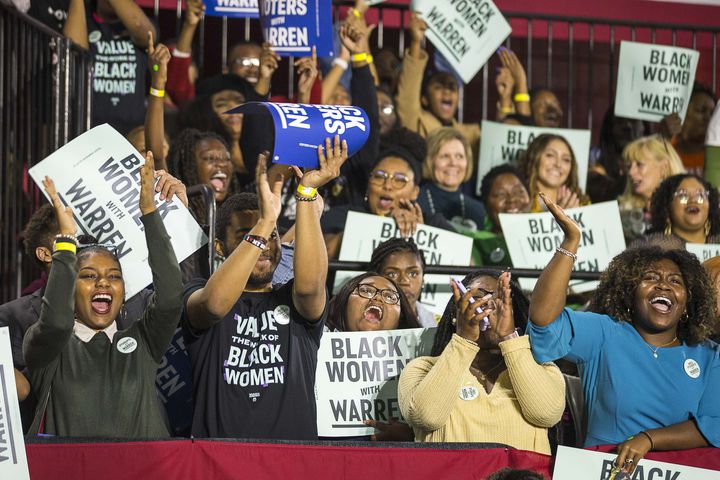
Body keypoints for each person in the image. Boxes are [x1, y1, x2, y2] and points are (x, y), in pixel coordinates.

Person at [528, 192, 720, 473]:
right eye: (651, 278)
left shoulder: (709, 355)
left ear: (689, 301)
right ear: (629, 292)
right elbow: (543, 320)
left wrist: (649, 440)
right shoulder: (605, 333)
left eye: (675, 281)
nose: (664, 285)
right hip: (600, 469)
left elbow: (715, 424)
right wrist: (570, 243)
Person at [181, 138, 346, 440]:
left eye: (272, 236)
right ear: (220, 247)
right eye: (246, 234)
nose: (265, 245)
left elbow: (311, 286)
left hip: (290, 465)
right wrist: (265, 221)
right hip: (218, 463)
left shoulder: (293, 299)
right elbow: (215, 304)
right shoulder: (198, 290)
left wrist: (307, 195)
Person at [24, 152, 184, 437]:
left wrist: (149, 213)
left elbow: (171, 297)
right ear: (68, 289)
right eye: (88, 276)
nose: (103, 284)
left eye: (114, 277)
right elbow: (57, 323)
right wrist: (65, 245)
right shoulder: (50, 348)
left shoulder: (142, 340)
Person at [398, 270, 565, 452]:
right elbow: (427, 417)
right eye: (477, 299)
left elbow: (546, 414)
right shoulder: (421, 369)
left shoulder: (543, 368)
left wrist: (509, 337)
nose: (487, 309)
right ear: (456, 313)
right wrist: (463, 341)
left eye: (499, 301)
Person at [321, 128, 451, 259]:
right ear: (368, 186)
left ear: (415, 192)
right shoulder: (343, 217)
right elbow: (317, 255)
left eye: (400, 180)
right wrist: (380, 225)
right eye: (379, 177)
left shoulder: (433, 223)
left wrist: (423, 235)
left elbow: (469, 265)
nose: (387, 185)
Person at [63, 0, 156, 134]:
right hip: (90, 128)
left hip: (133, 132)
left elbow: (141, 28)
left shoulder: (144, 22)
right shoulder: (84, 20)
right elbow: (75, 53)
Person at [395, 13, 480, 153]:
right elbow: (407, 95)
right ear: (425, 99)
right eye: (439, 87)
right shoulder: (415, 123)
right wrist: (416, 42)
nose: (447, 91)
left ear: (458, 99)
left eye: (452, 87)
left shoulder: (470, 135)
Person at [618, 135, 686, 240]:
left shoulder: (685, 210)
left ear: (663, 168)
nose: (631, 172)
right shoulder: (623, 214)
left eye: (639, 165)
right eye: (629, 166)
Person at [417, 127, 486, 231]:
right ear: (430, 161)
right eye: (445, 156)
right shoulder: (414, 202)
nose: (453, 163)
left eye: (459, 156)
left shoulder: (478, 210)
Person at [167, 128, 236, 225]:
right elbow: (157, 156)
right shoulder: (177, 212)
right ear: (189, 165)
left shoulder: (238, 215)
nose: (221, 164)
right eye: (210, 158)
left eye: (227, 159)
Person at [634, 174, 720, 248]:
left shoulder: (717, 243)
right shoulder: (650, 246)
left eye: (700, 195)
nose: (693, 200)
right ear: (667, 207)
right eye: (683, 195)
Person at [368, 238, 436, 327]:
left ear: (423, 279)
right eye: (392, 274)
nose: (404, 281)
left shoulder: (437, 324)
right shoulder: (363, 322)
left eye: (413, 273)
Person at [472, 165, 531, 266]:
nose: (512, 199)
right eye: (501, 194)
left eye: (518, 192)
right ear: (486, 204)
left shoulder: (553, 237)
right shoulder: (476, 243)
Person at [587, 106, 649, 203]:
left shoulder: (656, 163)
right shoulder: (595, 165)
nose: (627, 126)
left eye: (633, 121)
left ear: (644, 127)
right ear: (609, 128)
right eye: (620, 121)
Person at [327, 271, 419, 332]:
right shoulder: (317, 342)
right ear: (345, 302)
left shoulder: (422, 359)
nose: (378, 298)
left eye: (390, 297)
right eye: (366, 291)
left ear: (400, 318)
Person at [521, 133, 588, 212]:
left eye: (566, 159)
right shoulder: (517, 203)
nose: (558, 164)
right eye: (550, 155)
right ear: (534, 158)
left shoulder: (584, 204)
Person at [668, 84, 717, 175]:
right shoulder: (665, 151)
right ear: (682, 114)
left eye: (712, 113)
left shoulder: (716, 157)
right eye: (700, 110)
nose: (708, 118)